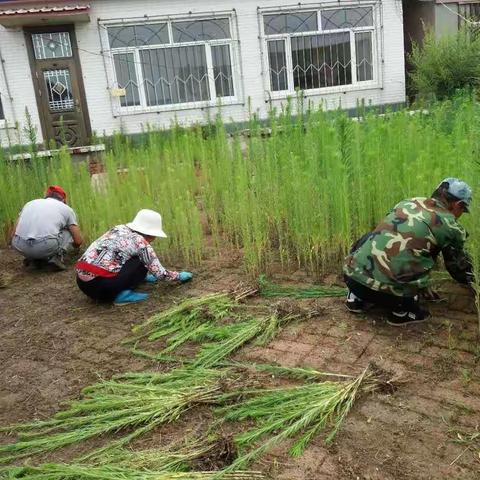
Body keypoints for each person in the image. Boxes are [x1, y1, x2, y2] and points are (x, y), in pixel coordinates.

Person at [343, 178, 473, 326]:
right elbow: (457, 269)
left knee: (375, 235)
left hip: (351, 279)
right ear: (458, 205)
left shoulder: (408, 202)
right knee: (415, 306)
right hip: (391, 297)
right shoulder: (451, 227)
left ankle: (356, 298)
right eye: (463, 210)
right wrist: (474, 282)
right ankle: (402, 312)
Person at [76, 209, 193, 305]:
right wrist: (179, 276)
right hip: (104, 289)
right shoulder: (140, 243)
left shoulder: (118, 228)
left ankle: (139, 279)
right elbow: (160, 274)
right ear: (152, 235)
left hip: (82, 283)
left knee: (129, 257)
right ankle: (121, 295)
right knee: (142, 260)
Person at [11, 185, 83, 270]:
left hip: (19, 245)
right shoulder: (66, 209)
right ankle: (57, 258)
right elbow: (78, 241)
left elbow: (13, 233)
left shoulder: (29, 203)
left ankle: (32, 258)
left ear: (46, 196)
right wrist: (74, 248)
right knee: (68, 232)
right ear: (63, 200)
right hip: (44, 246)